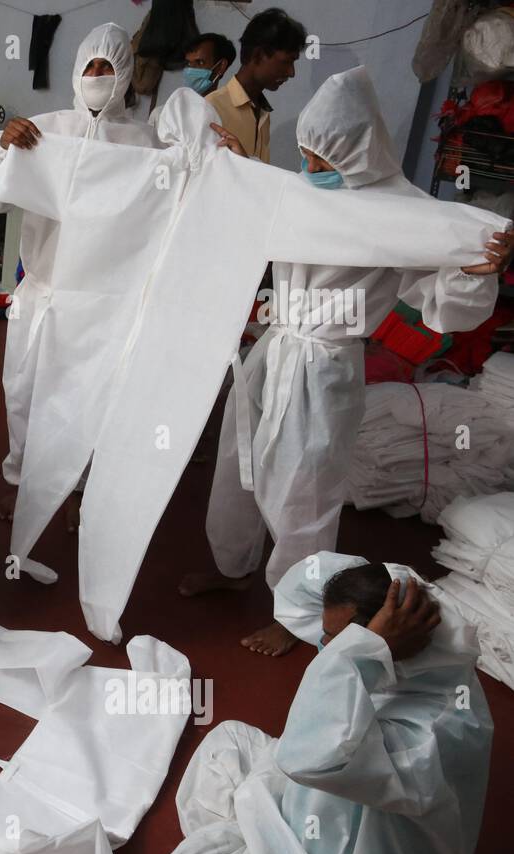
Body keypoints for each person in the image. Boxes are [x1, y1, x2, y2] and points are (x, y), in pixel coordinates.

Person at [181, 68, 513, 657]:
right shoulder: (301, 191)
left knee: (304, 490)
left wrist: (471, 263)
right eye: (304, 155)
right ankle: (232, 568)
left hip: (326, 365)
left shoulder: (399, 214)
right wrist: (236, 169)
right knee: (238, 465)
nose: (310, 169)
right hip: (273, 348)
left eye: (322, 158)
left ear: (356, 153)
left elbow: (442, 301)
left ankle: (299, 614)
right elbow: (258, 200)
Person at [166, 553, 492, 854]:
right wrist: (369, 595)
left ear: (389, 641)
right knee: (227, 741)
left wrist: (365, 647)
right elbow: (298, 594)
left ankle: (264, 842)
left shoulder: (433, 731)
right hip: (317, 798)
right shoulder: (419, 665)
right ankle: (262, 837)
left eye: (338, 639)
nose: (324, 644)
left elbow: (309, 759)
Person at [0, 22, 160, 530]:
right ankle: (22, 481)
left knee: (89, 400)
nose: (98, 76)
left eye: (108, 67)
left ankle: (79, 490)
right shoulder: (46, 129)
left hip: (103, 302)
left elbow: (180, 198)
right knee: (26, 392)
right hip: (44, 292)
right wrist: (0, 144)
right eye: (90, 67)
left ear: (124, 73)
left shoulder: (144, 144)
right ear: (78, 71)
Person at [205, 7, 306, 163]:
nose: (291, 72)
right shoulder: (212, 107)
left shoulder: (263, 113)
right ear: (258, 55)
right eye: (286, 62)